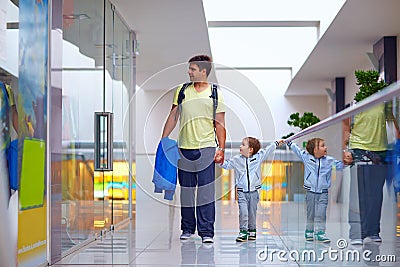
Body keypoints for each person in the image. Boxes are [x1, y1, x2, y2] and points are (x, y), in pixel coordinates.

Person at [161, 55, 226, 244]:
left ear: (203, 71)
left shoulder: (215, 93)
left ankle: (207, 232)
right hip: (184, 148)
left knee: (205, 191)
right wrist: (163, 139)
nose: (189, 72)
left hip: (206, 147)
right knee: (187, 191)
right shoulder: (182, 91)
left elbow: (220, 123)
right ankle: (187, 228)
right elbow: (173, 116)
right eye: (189, 69)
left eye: (192, 69)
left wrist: (221, 148)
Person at [342, 103, 399, 245]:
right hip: (358, 149)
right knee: (358, 193)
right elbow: (345, 126)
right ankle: (356, 232)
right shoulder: (355, 104)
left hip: (380, 151)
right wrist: (345, 150)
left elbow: (394, 122)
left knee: (375, 194)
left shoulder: (383, 103)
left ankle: (373, 231)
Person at [219, 137, 282, 242]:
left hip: (254, 192)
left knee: (252, 212)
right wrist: (219, 161)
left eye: (243, 145)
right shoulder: (237, 160)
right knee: (243, 212)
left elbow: (268, 150)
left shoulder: (258, 157)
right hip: (241, 192)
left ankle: (252, 230)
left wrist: (276, 143)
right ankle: (243, 231)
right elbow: (227, 165)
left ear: (250, 149)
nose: (240, 146)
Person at [287, 138, 344, 243]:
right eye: (322, 146)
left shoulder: (329, 160)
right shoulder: (307, 158)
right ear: (315, 150)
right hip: (310, 192)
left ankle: (320, 233)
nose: (325, 147)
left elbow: (340, 166)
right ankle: (309, 231)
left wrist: (348, 161)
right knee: (311, 213)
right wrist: (289, 142)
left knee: (321, 213)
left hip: (323, 193)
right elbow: (297, 150)